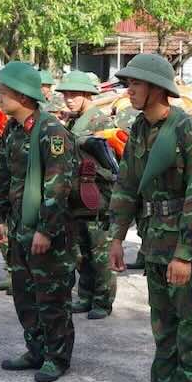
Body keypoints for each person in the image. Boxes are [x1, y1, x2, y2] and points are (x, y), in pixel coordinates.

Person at [108, 53, 192, 382]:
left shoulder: (191, 133)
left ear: (157, 88)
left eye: (136, 84)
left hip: (186, 247)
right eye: (129, 84)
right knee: (162, 324)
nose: (130, 91)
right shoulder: (139, 129)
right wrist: (116, 236)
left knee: (190, 325)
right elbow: (125, 185)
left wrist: (185, 255)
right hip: (153, 242)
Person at [0, 61, 77, 382]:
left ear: (23, 96)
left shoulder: (52, 133)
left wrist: (45, 230)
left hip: (46, 232)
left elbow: (59, 187)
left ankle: (57, 356)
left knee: (51, 297)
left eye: (5, 91)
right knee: (25, 294)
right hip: (18, 228)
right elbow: (3, 174)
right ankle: (36, 348)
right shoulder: (12, 129)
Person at [57, 70, 117, 319]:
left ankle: (103, 301)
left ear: (86, 95)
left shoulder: (101, 122)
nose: (68, 98)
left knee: (99, 253)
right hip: (75, 197)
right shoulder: (72, 121)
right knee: (80, 253)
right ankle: (85, 295)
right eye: (66, 94)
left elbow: (112, 164)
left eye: (73, 94)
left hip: (97, 197)